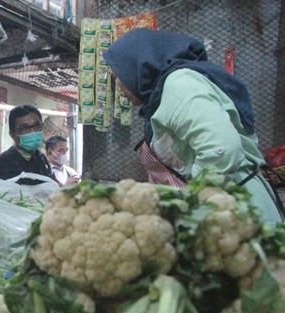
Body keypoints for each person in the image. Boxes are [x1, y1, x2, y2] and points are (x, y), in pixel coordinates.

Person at [104, 28, 283, 223]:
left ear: (137, 67)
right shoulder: (164, 94)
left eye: (117, 78)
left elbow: (221, 150)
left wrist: (188, 202)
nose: (119, 88)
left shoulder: (179, 85)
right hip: (221, 205)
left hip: (238, 210)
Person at [0, 104, 51, 182]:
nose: (32, 131)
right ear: (13, 135)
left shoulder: (41, 158)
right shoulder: (6, 162)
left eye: (36, 126)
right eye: (25, 128)